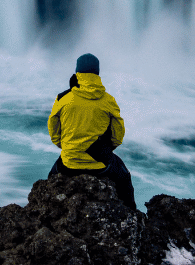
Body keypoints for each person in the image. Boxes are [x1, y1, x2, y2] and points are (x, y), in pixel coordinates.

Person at [47, 53, 136, 209]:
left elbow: (53, 129)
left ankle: (46, 208)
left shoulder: (62, 98)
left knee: (50, 180)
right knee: (124, 177)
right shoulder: (108, 100)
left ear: (77, 72)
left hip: (69, 165)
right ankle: (131, 212)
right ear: (97, 73)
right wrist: (107, 149)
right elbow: (118, 134)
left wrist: (66, 146)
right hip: (101, 166)